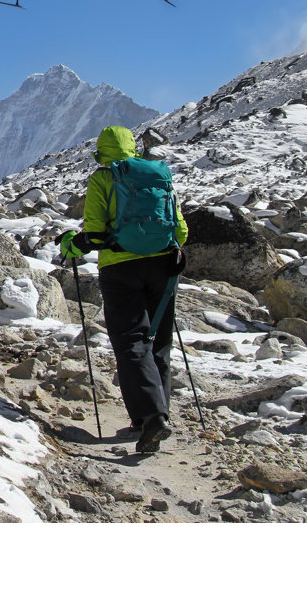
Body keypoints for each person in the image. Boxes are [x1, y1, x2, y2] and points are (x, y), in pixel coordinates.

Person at [60, 126, 188, 454]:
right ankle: (154, 417)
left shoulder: (103, 178)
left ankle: (151, 417)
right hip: (163, 267)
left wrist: (73, 245)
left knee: (131, 340)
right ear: (134, 148)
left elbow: (96, 235)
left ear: (101, 152)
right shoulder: (159, 175)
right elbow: (182, 230)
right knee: (158, 341)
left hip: (120, 269)